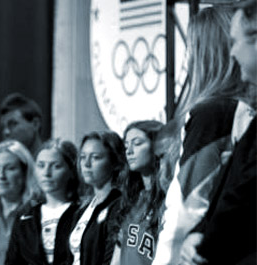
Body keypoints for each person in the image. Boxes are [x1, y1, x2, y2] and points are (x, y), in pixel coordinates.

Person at [152, 6, 254, 264]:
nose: (187, 58)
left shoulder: (211, 113)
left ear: (205, 53)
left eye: (191, 47)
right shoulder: (243, 111)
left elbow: (187, 208)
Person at [182, 1, 257, 264]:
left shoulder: (211, 113)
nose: (233, 52)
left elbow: (188, 207)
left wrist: (200, 242)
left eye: (235, 42)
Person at [5, 139, 82, 265]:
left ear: (72, 171)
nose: (46, 173)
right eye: (41, 165)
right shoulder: (26, 215)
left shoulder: (81, 212)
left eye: (56, 166)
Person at [109, 121, 165, 265]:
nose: (129, 151)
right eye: (126, 145)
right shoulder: (131, 199)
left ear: (158, 146)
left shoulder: (170, 198)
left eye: (137, 143)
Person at [68, 131, 127, 265]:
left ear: (115, 163)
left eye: (95, 157)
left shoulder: (119, 206)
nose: (86, 164)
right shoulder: (82, 210)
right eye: (83, 157)